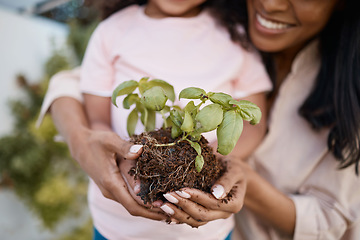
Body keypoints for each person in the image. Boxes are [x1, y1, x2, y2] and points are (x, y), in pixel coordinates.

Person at [37, 0, 360, 239]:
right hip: (115, 225)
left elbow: (334, 221)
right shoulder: (118, 31)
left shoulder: (234, 39)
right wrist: (90, 145)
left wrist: (221, 163)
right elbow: (84, 94)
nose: (271, 4)